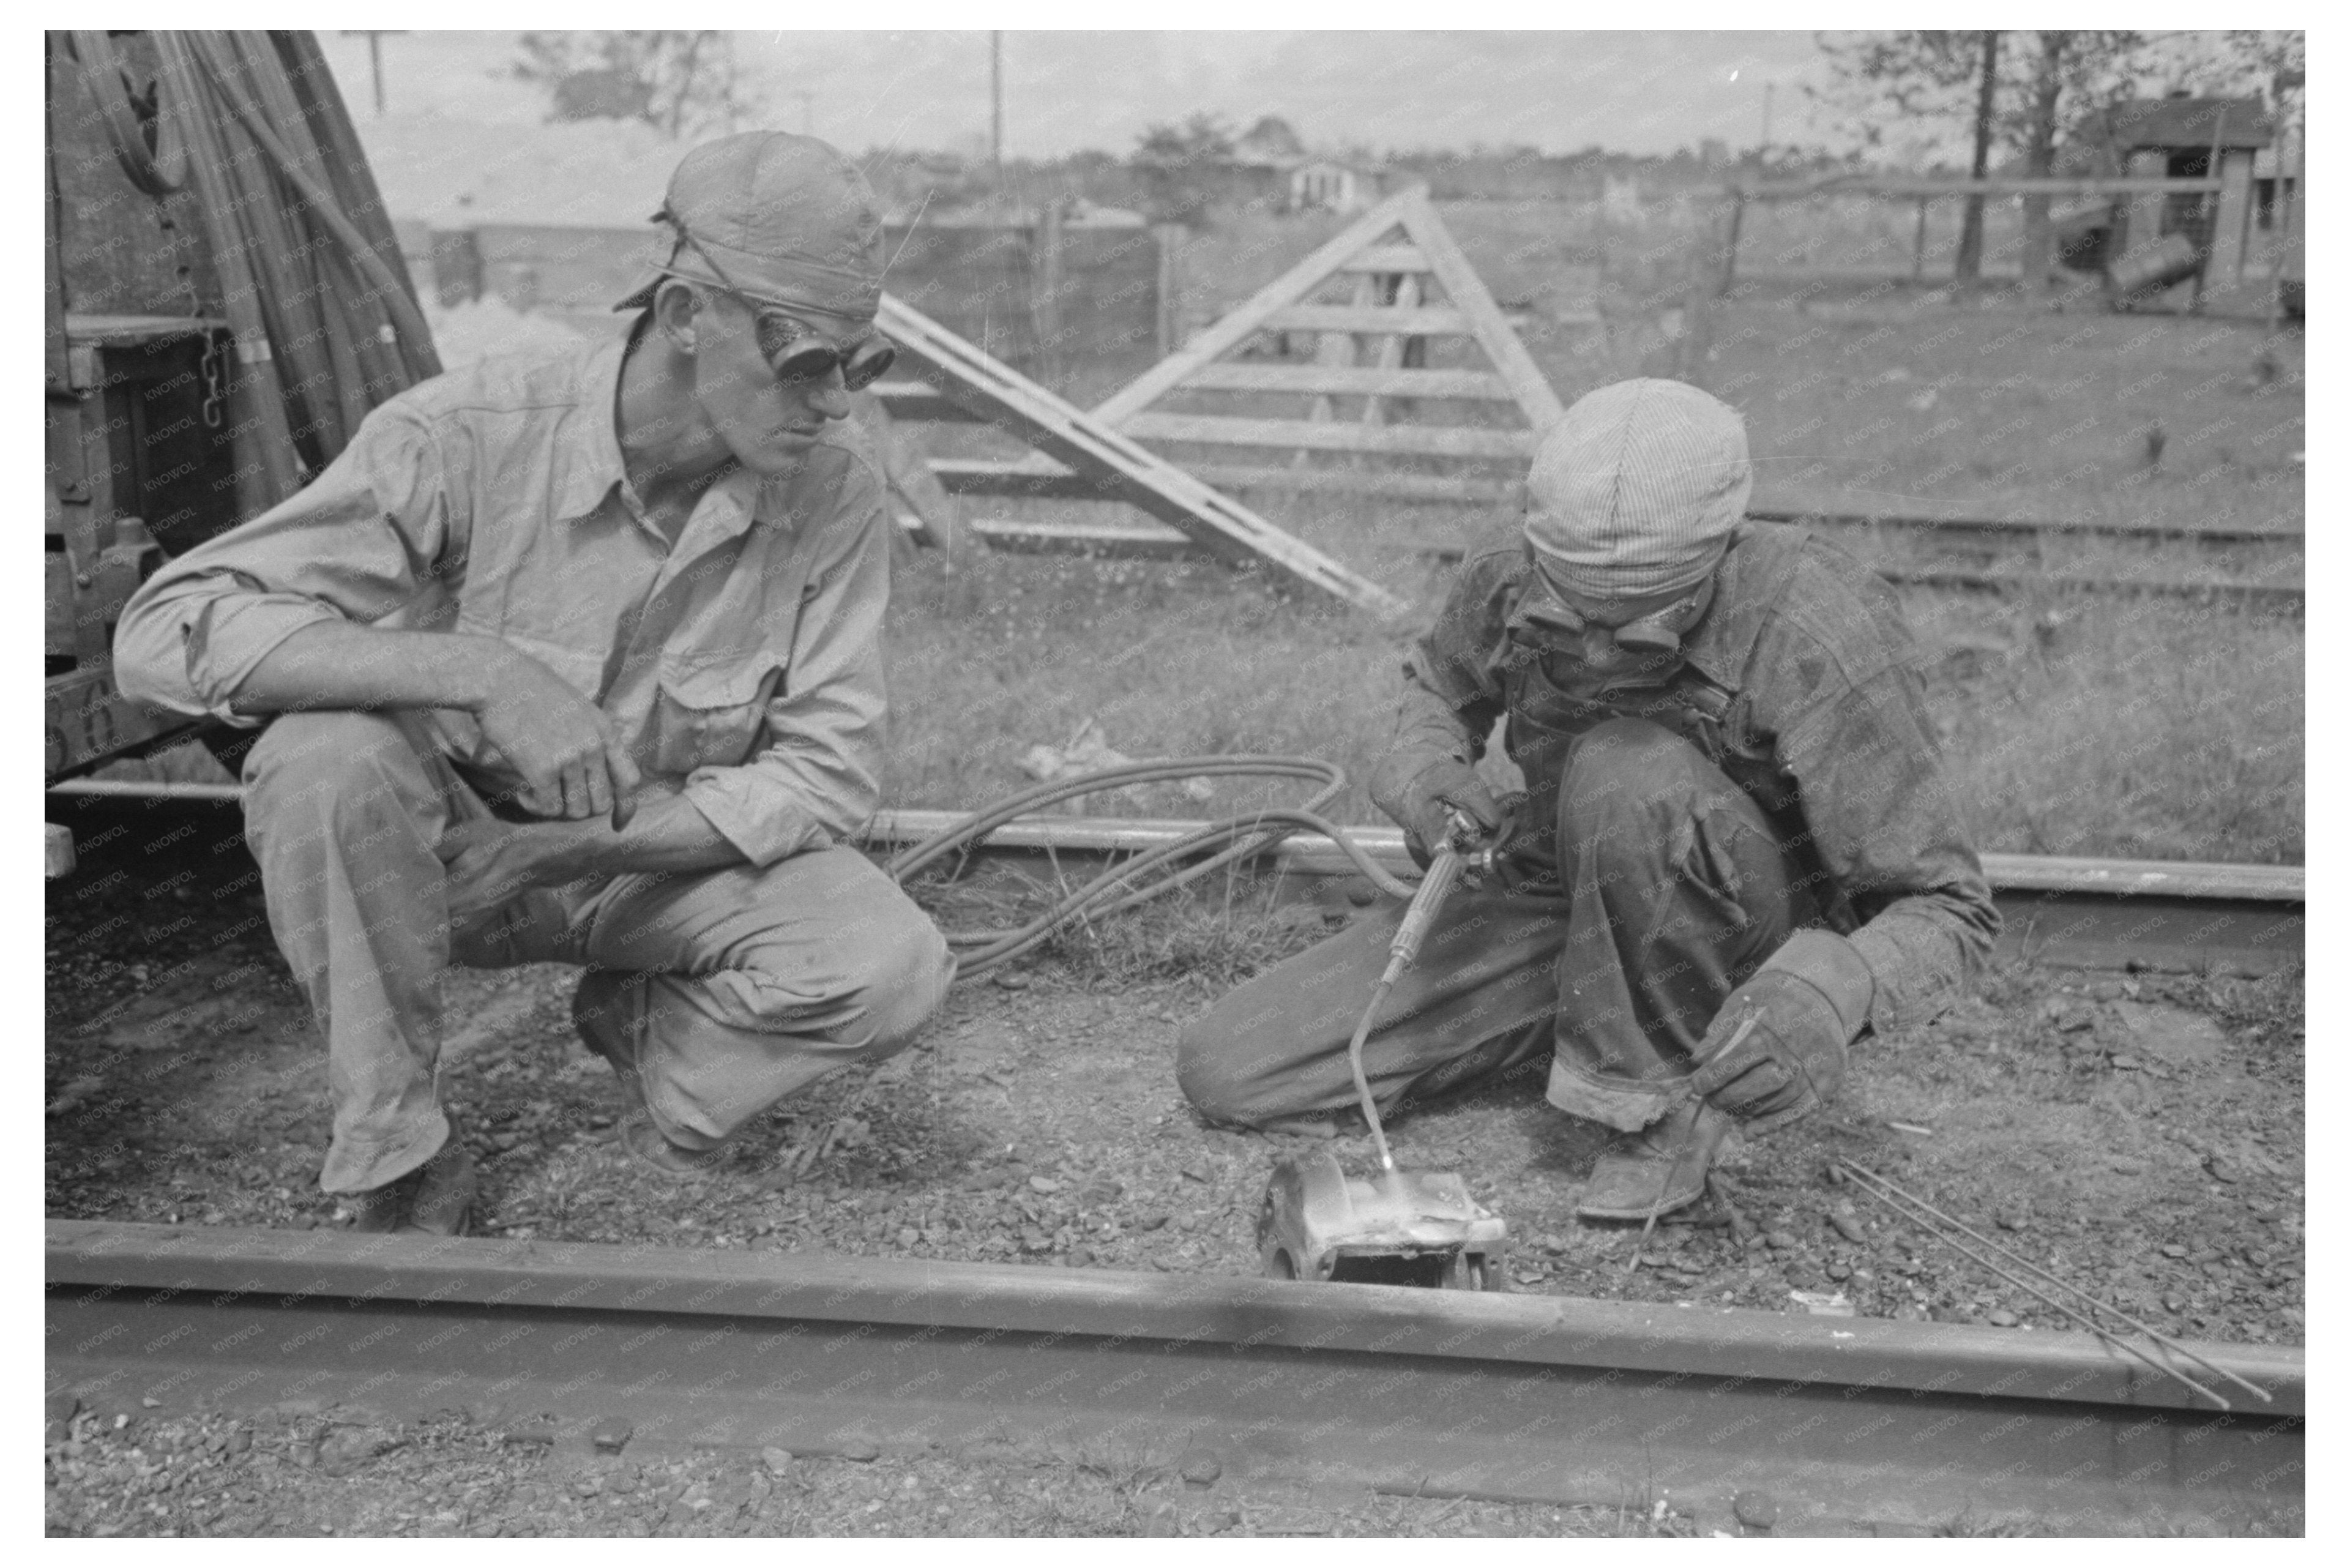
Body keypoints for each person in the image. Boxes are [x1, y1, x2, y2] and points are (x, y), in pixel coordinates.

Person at [113, 132, 955, 1235]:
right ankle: (398, 1145)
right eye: (805, 362)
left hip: (635, 867)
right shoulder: (464, 434)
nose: (836, 404)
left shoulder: (829, 496)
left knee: (892, 965)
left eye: (859, 364)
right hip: (443, 864)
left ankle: (645, 1034)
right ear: (685, 316)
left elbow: (830, 773)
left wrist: (570, 848)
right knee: (323, 756)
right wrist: (474, 668)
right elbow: (161, 630)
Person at [1176, 379, 1999, 1219]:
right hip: (1561, 892)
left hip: (1746, 937)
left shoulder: (1815, 627)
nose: (1600, 661)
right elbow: (1434, 686)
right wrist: (1428, 777)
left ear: (1716, 561)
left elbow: (1949, 905)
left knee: (1622, 768)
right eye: (1569, 629)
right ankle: (1588, 1016)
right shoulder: (1510, 572)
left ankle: (1658, 1099)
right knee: (1232, 1066)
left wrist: (1830, 987)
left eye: (1638, 634)